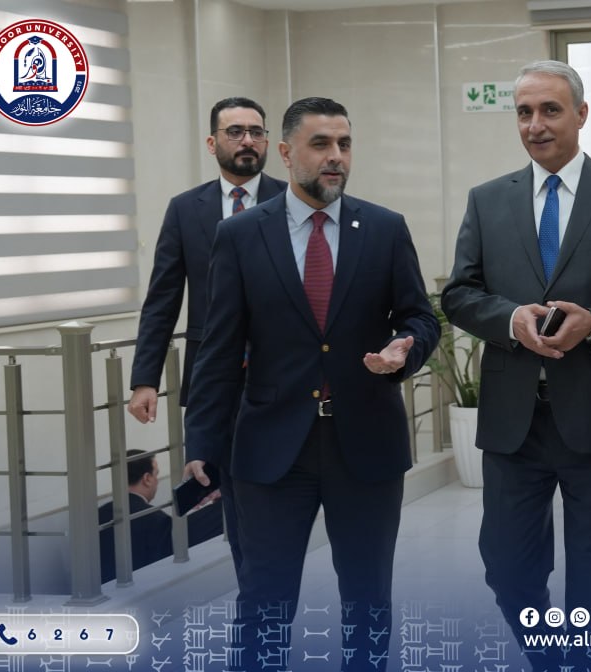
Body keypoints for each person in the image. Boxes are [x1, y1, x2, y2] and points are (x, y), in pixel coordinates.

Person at [182, 96, 440, 672]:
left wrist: (405, 347)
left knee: (368, 598)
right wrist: (201, 440)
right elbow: (218, 347)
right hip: (271, 450)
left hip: (366, 445)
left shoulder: (384, 228)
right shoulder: (241, 235)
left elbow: (420, 317)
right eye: (321, 144)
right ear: (286, 152)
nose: (336, 156)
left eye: (344, 144)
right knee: (264, 601)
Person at [441, 61, 591, 672]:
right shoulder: (488, 200)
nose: (536, 124)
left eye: (550, 110)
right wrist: (510, 317)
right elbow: (460, 294)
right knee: (507, 567)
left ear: (581, 114)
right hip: (513, 422)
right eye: (524, 112)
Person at [128, 97, 287, 576]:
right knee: (227, 493)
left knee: (279, 491)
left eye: (256, 132)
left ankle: (274, 581)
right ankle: (253, 589)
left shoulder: (293, 200)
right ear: (212, 142)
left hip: (282, 372)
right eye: (235, 132)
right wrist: (146, 379)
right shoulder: (185, 209)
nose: (247, 141)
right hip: (213, 377)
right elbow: (162, 298)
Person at [98, 449, 223, 584]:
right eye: (156, 475)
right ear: (147, 479)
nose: (157, 481)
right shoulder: (155, 519)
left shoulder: (98, 515)